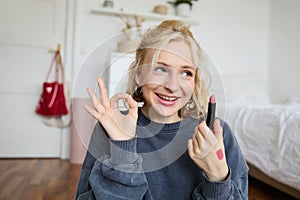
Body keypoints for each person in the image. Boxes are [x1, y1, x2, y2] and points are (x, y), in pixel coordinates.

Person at [76, 20, 248, 199]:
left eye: (186, 73)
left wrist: (218, 178)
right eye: (160, 69)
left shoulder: (218, 136)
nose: (173, 86)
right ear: (139, 75)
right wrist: (123, 150)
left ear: (195, 81)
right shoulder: (111, 129)